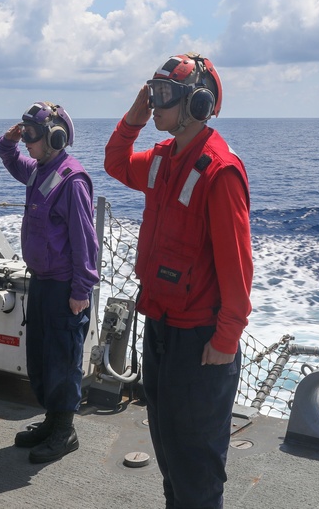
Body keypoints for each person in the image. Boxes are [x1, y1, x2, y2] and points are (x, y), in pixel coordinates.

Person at [104, 53, 253, 509]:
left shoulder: (220, 170)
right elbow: (115, 162)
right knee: (169, 451)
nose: (156, 103)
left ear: (199, 104)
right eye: (152, 92)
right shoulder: (163, 159)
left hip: (200, 341)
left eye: (164, 95)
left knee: (197, 466)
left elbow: (238, 267)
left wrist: (226, 337)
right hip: (161, 328)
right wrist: (134, 116)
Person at [0, 101, 99, 463]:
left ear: (54, 137)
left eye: (32, 135)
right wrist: (8, 143)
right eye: (25, 134)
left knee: (63, 360)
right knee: (41, 359)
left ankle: (64, 431)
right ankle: (52, 421)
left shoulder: (71, 180)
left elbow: (85, 242)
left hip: (63, 287)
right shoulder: (40, 170)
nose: (27, 142)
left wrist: (80, 291)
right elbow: (13, 162)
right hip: (41, 283)